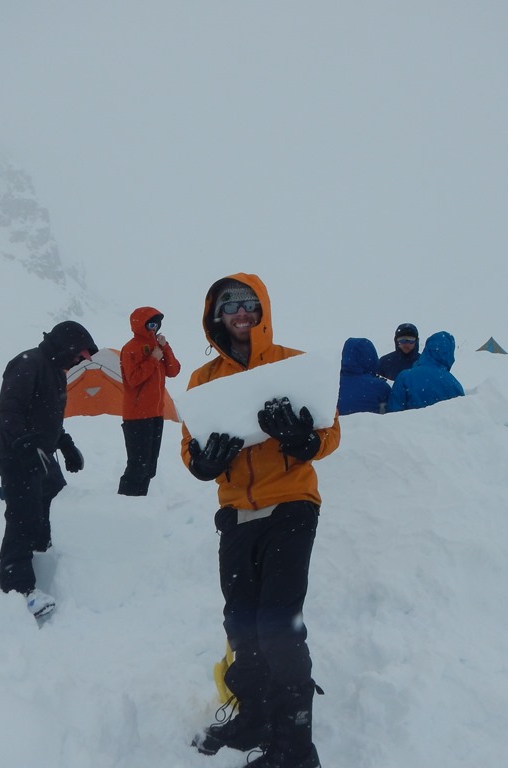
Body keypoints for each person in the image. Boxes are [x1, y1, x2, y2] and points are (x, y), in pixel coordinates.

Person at [183, 274, 340, 768]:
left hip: (292, 504)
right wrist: (202, 463)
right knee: (242, 624)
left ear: (262, 309)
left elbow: (330, 432)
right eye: (229, 305)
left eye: (248, 303)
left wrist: (303, 440)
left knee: (279, 625)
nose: (240, 311)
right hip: (235, 513)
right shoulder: (202, 381)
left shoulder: (293, 364)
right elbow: (190, 447)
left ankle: (296, 749)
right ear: (216, 316)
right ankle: (253, 714)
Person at [0, 320, 97, 617]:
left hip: (40, 453)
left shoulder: (55, 372)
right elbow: (9, 412)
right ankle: (19, 589)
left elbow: (49, 419)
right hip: (16, 455)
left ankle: (42, 553)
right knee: (22, 517)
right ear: (66, 345)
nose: (82, 360)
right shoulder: (28, 364)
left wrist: (65, 445)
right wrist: (24, 446)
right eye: (81, 353)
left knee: (54, 496)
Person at [118, 306, 181, 496]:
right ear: (141, 325)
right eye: (151, 324)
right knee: (138, 466)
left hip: (156, 414)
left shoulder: (157, 346)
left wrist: (165, 347)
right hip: (137, 415)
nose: (154, 328)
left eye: (157, 324)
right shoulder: (131, 348)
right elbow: (134, 379)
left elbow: (174, 371)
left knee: (149, 467)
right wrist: (153, 359)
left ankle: (139, 502)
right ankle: (126, 504)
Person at [387, 330, 465, 412]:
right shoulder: (454, 385)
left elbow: (393, 413)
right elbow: (460, 418)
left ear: (427, 349)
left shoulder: (405, 377)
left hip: (410, 424)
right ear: (449, 354)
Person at [337, 337, 391, 415]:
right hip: (372, 426)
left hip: (338, 426)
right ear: (372, 357)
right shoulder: (380, 386)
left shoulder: (332, 384)